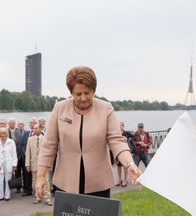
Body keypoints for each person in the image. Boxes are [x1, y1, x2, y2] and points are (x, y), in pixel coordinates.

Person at [36, 66, 141, 199]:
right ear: (71, 92)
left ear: (94, 90)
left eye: (87, 92)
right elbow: (48, 145)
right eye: (78, 94)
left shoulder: (106, 108)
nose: (83, 98)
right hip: (65, 183)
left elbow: (116, 141)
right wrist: (40, 176)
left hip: (98, 184)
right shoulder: (59, 108)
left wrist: (129, 164)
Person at [26, 124, 52, 205]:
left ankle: (48, 198)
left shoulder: (46, 139)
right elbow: (28, 152)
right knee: (35, 181)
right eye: (34, 128)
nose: (35, 130)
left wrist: (49, 163)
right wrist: (27, 164)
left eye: (36, 128)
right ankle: (38, 197)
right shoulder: (30, 139)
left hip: (44, 164)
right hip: (33, 163)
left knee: (46, 181)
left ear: (41, 129)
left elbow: (49, 152)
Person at [0, 128, 17, 201]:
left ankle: (7, 195)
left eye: (4, 133)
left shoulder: (11, 142)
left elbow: (14, 154)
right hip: (0, 164)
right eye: (1, 133)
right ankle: (1, 196)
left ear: (7, 134)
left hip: (9, 163)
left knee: (8, 180)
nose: (3, 135)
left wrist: (14, 164)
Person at [14, 120, 32, 196]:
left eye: (22, 124)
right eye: (19, 124)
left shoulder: (27, 133)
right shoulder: (14, 133)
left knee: (26, 173)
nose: (20, 125)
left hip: (25, 156)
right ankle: (18, 187)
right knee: (17, 173)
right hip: (17, 156)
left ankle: (27, 188)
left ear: (24, 125)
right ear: (17, 125)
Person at [117, 122, 135, 187]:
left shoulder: (126, 133)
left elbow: (134, 137)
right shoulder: (116, 133)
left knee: (125, 166)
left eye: (121, 125)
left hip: (125, 150)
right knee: (119, 166)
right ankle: (119, 179)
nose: (119, 126)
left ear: (123, 126)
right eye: (118, 125)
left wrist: (128, 139)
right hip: (118, 150)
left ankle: (125, 180)